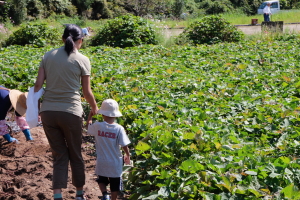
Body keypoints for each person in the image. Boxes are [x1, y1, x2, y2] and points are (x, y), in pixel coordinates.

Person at [34, 24, 98, 200]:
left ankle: (57, 196)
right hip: (71, 112)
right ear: (80, 41)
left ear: (62, 39)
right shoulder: (82, 59)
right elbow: (86, 92)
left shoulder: (47, 56)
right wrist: (94, 107)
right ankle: (79, 194)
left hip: (48, 112)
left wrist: (36, 106)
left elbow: (38, 85)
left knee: (59, 154)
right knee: (76, 154)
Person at [87, 99, 131, 200]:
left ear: (102, 114)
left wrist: (90, 115)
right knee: (114, 185)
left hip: (102, 160)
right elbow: (124, 144)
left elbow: (88, 127)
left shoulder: (97, 126)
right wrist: (127, 155)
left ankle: (105, 194)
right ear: (115, 115)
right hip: (115, 162)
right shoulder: (119, 128)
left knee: (101, 180)